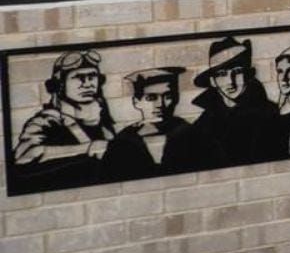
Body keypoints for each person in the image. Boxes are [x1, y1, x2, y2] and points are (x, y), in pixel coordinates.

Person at [12, 49, 116, 192]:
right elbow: (24, 157)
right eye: (78, 77)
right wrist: (86, 149)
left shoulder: (103, 120)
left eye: (92, 76)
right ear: (59, 84)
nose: (87, 84)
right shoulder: (47, 121)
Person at [186, 36, 277, 166]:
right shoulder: (205, 122)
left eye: (237, 71)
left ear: (248, 75)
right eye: (222, 74)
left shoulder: (270, 114)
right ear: (213, 81)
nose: (230, 81)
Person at [103, 67, 189, 180]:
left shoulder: (190, 134)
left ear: (176, 99)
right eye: (151, 98)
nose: (160, 104)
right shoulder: (123, 141)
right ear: (137, 102)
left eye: (168, 96)